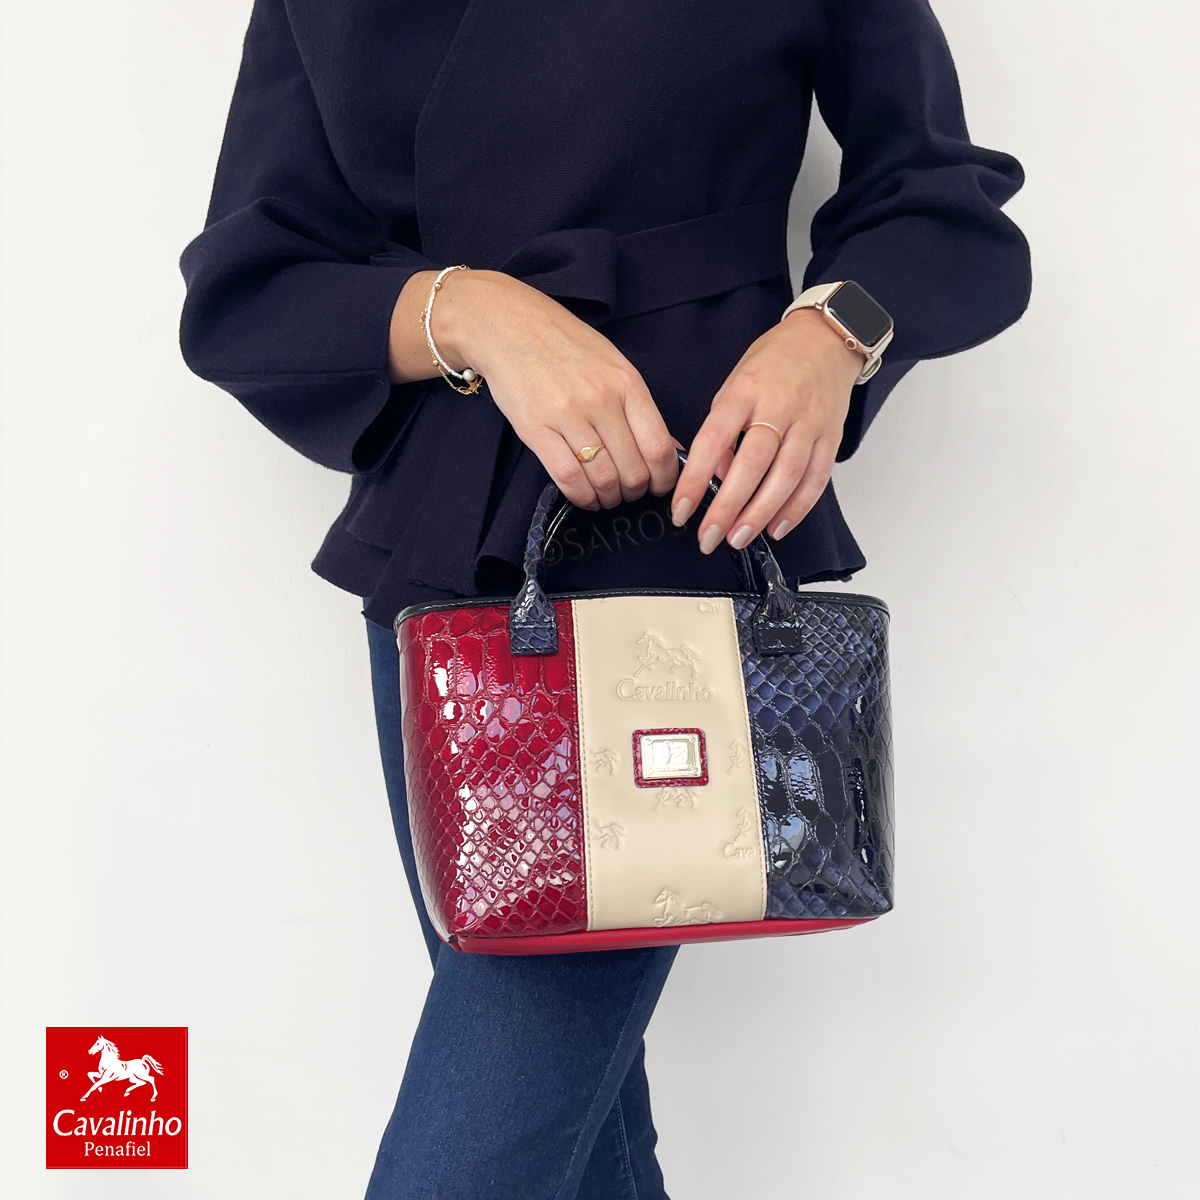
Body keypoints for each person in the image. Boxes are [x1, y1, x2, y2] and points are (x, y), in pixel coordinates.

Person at [178, 1, 1030, 1195]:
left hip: (685, 536)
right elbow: (251, 291)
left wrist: (834, 332)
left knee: (483, 1156)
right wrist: (474, 311)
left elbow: (940, 196)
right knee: (579, 1152)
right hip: (449, 579)